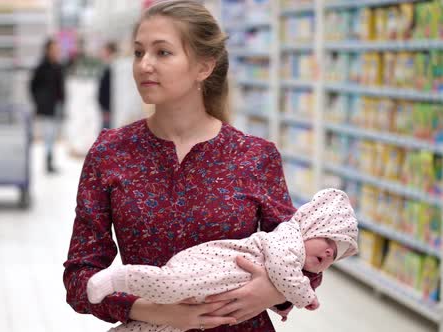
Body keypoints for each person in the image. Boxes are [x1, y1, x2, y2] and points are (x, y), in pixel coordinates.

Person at [64, 1, 312, 331]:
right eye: (139, 53)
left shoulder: (254, 156)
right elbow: (80, 276)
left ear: (203, 67)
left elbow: (307, 253)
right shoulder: (111, 152)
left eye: (162, 52)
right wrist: (153, 310)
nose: (144, 65)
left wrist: (270, 292)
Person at [86, 188, 359, 331]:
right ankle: (120, 278)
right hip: (205, 274)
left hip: (214, 304)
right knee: (170, 286)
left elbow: (304, 277)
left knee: (159, 327)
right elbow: (284, 270)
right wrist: (304, 297)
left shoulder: (259, 156)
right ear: (310, 225)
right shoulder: (289, 236)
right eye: (327, 241)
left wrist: (276, 297)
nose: (327, 254)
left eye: (334, 255)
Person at [30, 38, 65, 172]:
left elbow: (60, 88)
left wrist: (62, 102)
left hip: (56, 106)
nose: (56, 52)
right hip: (46, 107)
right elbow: (33, 86)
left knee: (53, 134)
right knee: (48, 134)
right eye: (53, 49)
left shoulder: (58, 66)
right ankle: (48, 162)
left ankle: (50, 161)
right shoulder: (41, 67)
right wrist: (39, 102)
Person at [98, 42, 118, 129]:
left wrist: (106, 107)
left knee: (107, 131)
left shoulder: (112, 68)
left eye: (104, 51)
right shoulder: (108, 66)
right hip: (106, 107)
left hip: (108, 108)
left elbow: (109, 89)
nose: (102, 53)